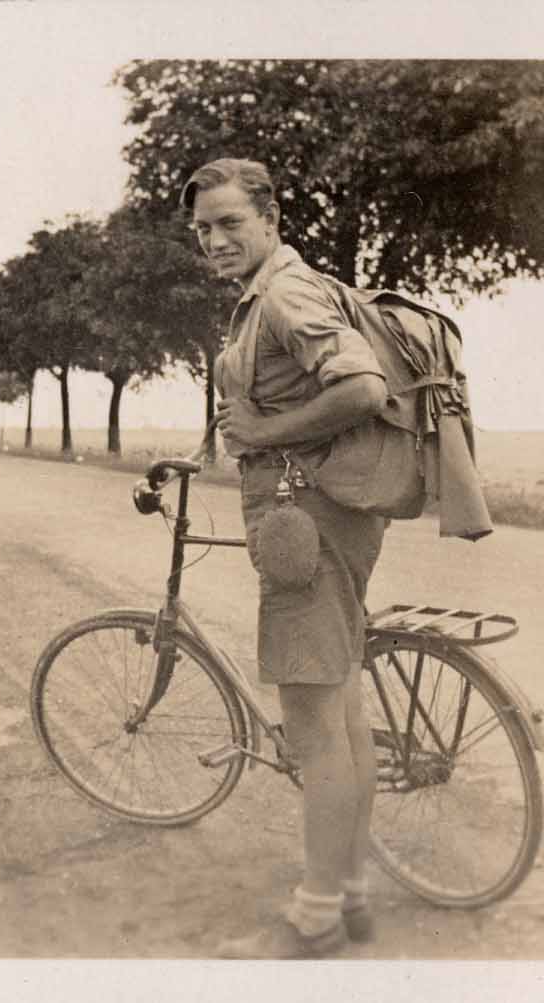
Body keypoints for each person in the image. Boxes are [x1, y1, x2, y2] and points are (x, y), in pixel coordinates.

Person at [183, 157, 389, 959]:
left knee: (314, 726)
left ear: (271, 218)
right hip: (326, 515)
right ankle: (353, 892)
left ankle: (315, 915)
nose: (215, 240)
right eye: (203, 229)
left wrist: (265, 435)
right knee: (342, 712)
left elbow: (364, 388)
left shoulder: (284, 294)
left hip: (306, 524)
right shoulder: (273, 294)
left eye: (231, 222)